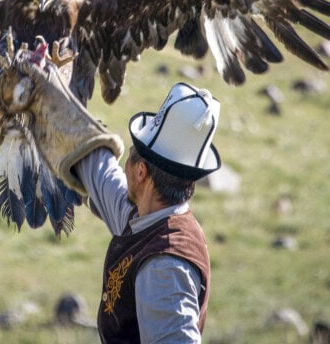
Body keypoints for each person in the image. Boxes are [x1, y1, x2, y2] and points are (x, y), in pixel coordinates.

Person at [72, 82, 221, 343]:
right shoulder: (145, 217)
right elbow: (101, 174)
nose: (125, 163)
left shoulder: (165, 266)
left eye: (129, 155)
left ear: (141, 173)